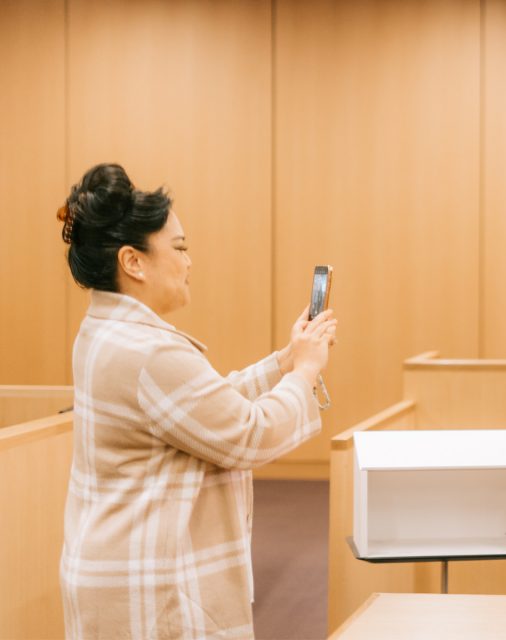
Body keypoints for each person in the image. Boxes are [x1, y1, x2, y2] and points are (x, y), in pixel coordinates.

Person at [57, 163, 337, 638]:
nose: (189, 262)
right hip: (151, 588)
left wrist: (283, 363)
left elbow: (203, 408)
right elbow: (249, 434)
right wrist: (307, 371)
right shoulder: (150, 353)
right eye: (180, 248)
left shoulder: (105, 330)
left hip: (117, 569)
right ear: (133, 262)